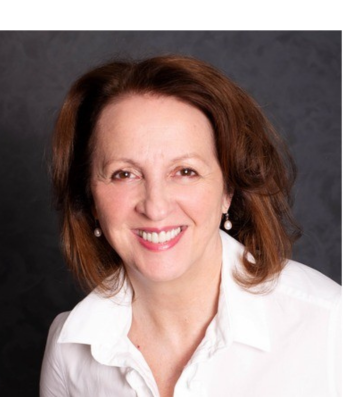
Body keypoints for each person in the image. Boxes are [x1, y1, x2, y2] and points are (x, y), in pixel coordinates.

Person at [40, 55, 341, 397]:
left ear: (228, 189)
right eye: (124, 174)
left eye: (185, 171)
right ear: (92, 198)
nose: (155, 206)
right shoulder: (69, 347)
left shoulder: (333, 324)